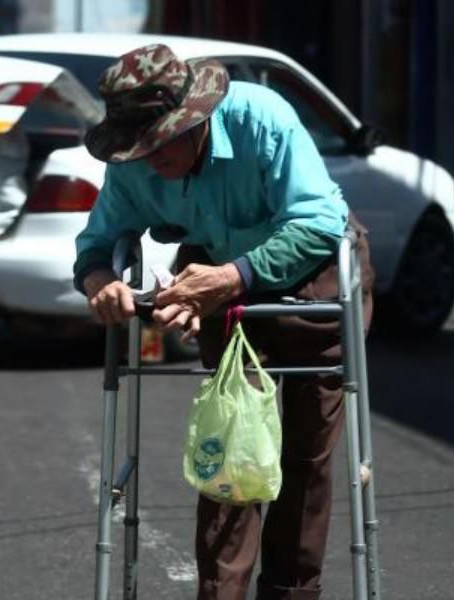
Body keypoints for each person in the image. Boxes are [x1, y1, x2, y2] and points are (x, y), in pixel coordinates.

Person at [73, 44, 374, 600]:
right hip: (216, 272)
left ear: (196, 121)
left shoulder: (262, 118)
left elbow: (318, 223)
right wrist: (102, 284)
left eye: (158, 145)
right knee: (233, 445)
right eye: (137, 149)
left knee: (304, 454)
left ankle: (290, 592)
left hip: (311, 268)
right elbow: (95, 245)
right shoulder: (134, 165)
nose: (147, 161)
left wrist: (231, 278)